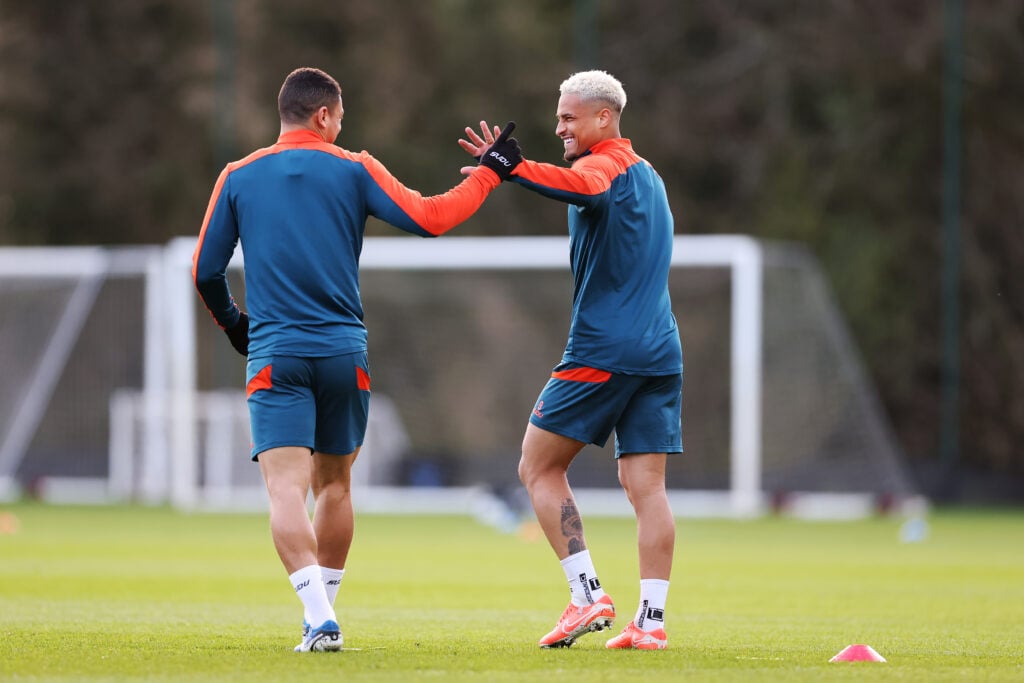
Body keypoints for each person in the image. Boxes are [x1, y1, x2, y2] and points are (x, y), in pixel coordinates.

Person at [194, 67, 521, 652]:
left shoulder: (238, 176)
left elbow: (205, 271)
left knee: (285, 491)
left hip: (276, 353)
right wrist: (491, 175)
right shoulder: (355, 168)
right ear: (323, 116)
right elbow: (431, 218)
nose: (343, 128)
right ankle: (323, 614)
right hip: (344, 353)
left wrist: (237, 327)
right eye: (340, 118)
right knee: (336, 488)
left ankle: (318, 615)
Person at [459, 70, 681, 650]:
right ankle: (650, 623)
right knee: (646, 488)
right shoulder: (651, 176)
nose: (559, 126)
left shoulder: (603, 165)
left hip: (605, 348)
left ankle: (587, 596)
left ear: (604, 118)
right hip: (661, 352)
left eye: (568, 117)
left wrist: (515, 169)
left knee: (537, 467)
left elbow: (587, 188)